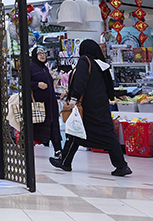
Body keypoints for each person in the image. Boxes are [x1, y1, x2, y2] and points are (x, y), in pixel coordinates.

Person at [49, 39, 132, 177]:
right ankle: (65, 161)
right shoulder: (101, 64)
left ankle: (122, 165)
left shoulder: (84, 61)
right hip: (101, 105)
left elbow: (81, 81)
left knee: (77, 130)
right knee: (86, 132)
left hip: (88, 106)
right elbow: (108, 85)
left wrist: (74, 98)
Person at [30, 46, 62, 158]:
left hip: (51, 103)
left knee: (53, 125)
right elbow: (23, 82)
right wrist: (37, 85)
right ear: (35, 55)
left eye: (44, 53)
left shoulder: (45, 68)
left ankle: (58, 149)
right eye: (40, 54)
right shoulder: (31, 67)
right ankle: (26, 148)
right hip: (39, 105)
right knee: (37, 127)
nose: (42, 55)